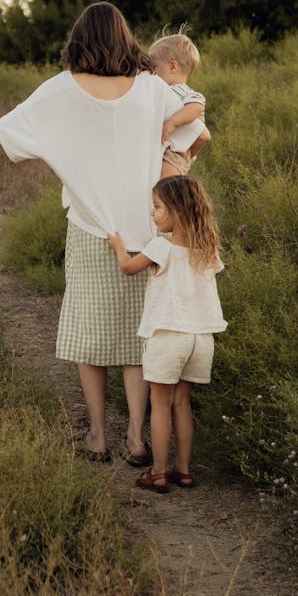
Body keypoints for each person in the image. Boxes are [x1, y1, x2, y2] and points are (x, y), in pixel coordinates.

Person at [0, 1, 183, 464]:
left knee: (90, 337)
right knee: (137, 339)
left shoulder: (60, 92)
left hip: (93, 230)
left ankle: (97, 434)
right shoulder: (154, 89)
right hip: (149, 231)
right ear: (126, 38)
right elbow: (192, 123)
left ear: (79, 40)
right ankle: (136, 436)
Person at [107, 175, 226, 492]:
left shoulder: (162, 246)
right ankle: (183, 471)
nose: (152, 213)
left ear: (175, 209)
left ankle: (158, 472)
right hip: (200, 337)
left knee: (159, 405)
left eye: (157, 207)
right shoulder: (207, 248)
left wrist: (119, 248)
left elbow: (130, 268)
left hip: (168, 335)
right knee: (182, 403)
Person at [149, 30, 210, 177]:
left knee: (165, 189)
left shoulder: (180, 90)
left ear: (172, 67)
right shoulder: (166, 90)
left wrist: (173, 122)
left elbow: (197, 106)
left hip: (176, 153)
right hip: (170, 148)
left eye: (154, 67)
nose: (151, 73)